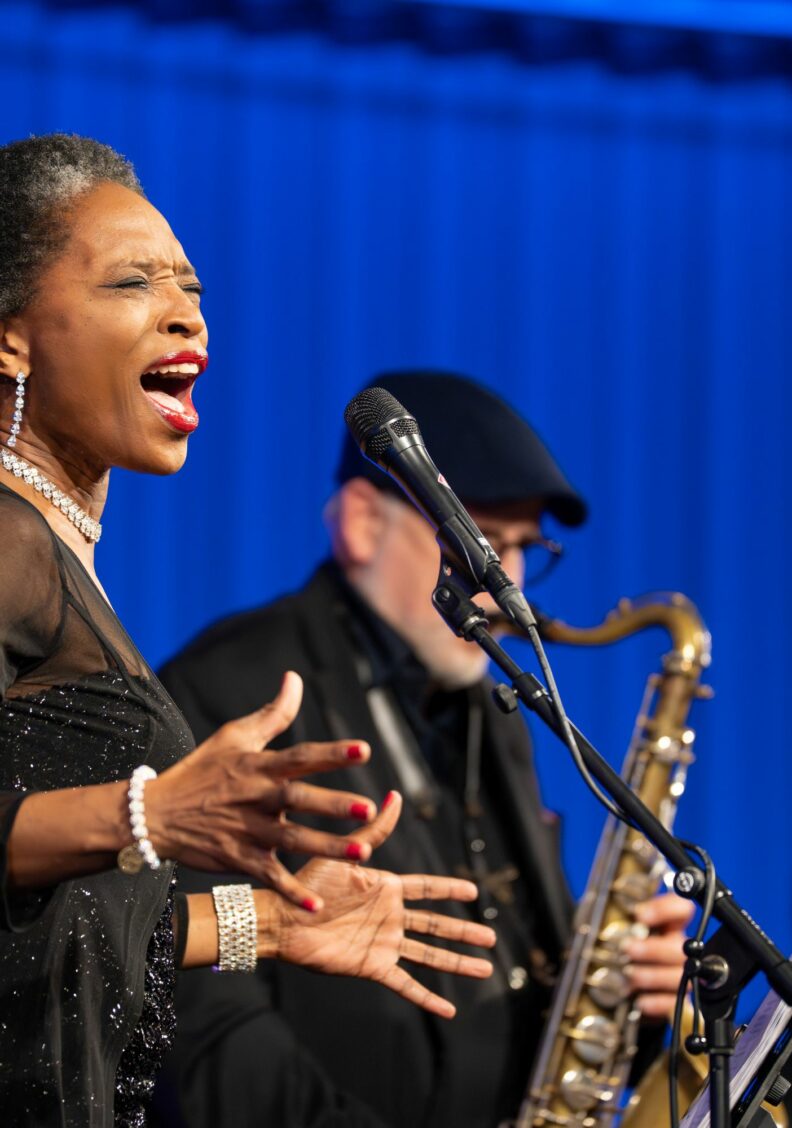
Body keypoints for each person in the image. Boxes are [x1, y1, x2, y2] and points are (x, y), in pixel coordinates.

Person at [0, 140, 497, 1128]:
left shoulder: (53, 557)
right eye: (133, 282)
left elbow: (45, 933)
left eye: (190, 286)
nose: (185, 311)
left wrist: (269, 922)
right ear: (10, 338)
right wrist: (142, 819)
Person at [156, 371, 693, 1128]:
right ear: (362, 526)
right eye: (472, 540)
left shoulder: (487, 700)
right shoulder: (229, 690)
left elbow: (517, 962)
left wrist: (625, 1002)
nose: (503, 582)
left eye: (517, 547)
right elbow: (207, 1036)